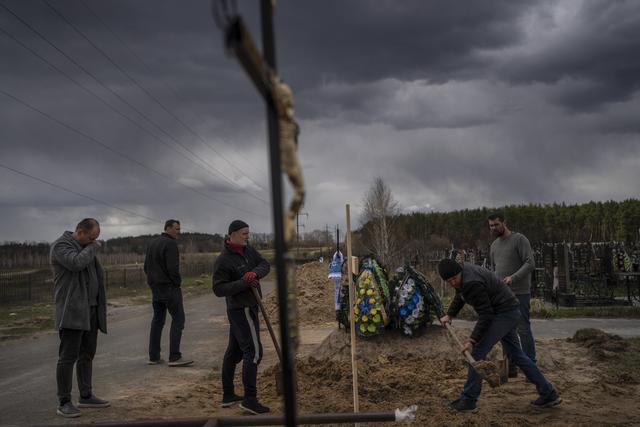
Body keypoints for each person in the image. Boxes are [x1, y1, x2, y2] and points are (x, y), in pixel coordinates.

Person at [437, 258, 561, 413]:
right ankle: (548, 393)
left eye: (454, 278)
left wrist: (472, 340)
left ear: (459, 272)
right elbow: (460, 295)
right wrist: (450, 314)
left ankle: (468, 400)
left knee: (476, 353)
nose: (453, 283)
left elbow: (486, 315)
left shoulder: (471, 282)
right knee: (516, 354)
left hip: (503, 313)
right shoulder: (463, 276)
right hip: (508, 310)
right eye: (449, 281)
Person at [50, 218, 110, 418]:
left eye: (96, 239)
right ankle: (64, 401)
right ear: (80, 231)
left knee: (87, 354)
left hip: (90, 310)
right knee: (68, 357)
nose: (94, 242)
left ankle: (86, 395)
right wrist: (92, 248)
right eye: (92, 238)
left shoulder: (86, 247)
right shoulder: (61, 245)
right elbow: (75, 263)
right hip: (72, 312)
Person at [213, 220, 271, 415]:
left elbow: (265, 264)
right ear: (233, 234)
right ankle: (250, 399)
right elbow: (218, 289)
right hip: (241, 309)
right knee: (254, 352)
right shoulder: (223, 260)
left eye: (248, 233)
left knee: (234, 351)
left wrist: (255, 273)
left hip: (250, 306)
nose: (248, 236)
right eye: (245, 233)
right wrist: (243, 283)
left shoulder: (249, 251)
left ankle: (228, 394)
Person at [488, 211, 536, 376]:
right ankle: (511, 366)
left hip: (520, 292)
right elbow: (495, 270)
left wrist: (513, 278)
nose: (493, 228)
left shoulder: (519, 239)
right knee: (506, 331)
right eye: (491, 225)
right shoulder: (494, 246)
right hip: (503, 295)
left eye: (496, 224)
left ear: (504, 222)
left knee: (523, 329)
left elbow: (530, 263)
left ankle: (531, 368)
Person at [144, 219, 193, 367]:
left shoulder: (153, 243)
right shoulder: (170, 244)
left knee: (158, 321)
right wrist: (177, 283)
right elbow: (173, 268)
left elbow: (146, 267)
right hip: (169, 288)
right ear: (168, 228)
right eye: (177, 229)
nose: (179, 232)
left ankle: (154, 356)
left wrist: (153, 282)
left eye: (179, 229)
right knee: (178, 320)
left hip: (156, 288)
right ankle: (175, 357)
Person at [328, 249, 344, 321]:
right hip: (338, 275)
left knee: (337, 290)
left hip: (336, 275)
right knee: (338, 290)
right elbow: (342, 262)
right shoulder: (338, 259)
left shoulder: (335, 258)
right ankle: (338, 307)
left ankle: (338, 307)